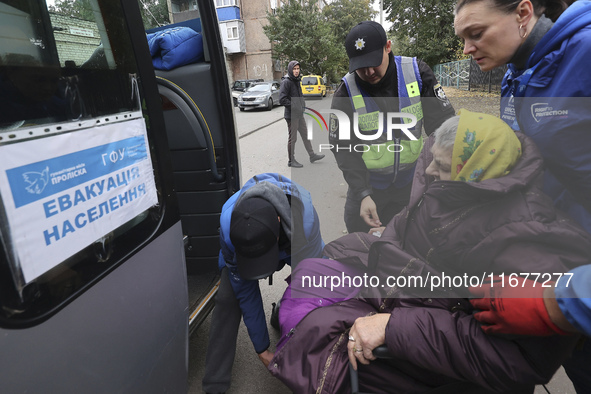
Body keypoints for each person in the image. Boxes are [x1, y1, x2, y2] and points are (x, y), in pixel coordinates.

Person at [268, 110, 591, 393]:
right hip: (410, 290)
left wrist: (393, 327)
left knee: (319, 333)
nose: (430, 171)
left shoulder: (530, 240)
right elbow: (412, 222)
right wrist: (385, 237)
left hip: (428, 332)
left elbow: (514, 359)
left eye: (440, 164)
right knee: (311, 271)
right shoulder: (459, 186)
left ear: (476, 169)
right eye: (432, 158)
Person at [454, 0, 591, 390]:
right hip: (559, 263)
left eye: (476, 34)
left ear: (523, 13)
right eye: (462, 38)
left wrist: (560, 303)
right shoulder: (517, 72)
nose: (466, 48)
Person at [202, 173, 324, 394]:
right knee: (228, 298)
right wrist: (262, 349)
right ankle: (214, 386)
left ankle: (283, 319)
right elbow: (246, 293)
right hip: (257, 242)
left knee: (308, 298)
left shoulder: (305, 223)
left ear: (278, 223)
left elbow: (311, 289)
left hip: (293, 242)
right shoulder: (229, 230)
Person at [330, 21, 455, 233]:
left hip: (410, 185)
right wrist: (362, 194)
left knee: (407, 245)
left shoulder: (417, 74)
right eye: (360, 67)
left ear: (388, 47)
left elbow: (443, 126)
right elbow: (342, 147)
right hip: (367, 189)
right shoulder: (345, 92)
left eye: (373, 62)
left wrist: (442, 173)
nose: (369, 71)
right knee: (360, 249)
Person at [279, 60, 325, 168]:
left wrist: (302, 104)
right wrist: (295, 106)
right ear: (290, 69)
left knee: (305, 134)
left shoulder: (297, 80)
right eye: (294, 69)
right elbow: (282, 99)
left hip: (299, 114)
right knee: (293, 139)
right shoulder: (287, 82)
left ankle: (312, 155)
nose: (296, 71)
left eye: (298, 69)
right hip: (291, 115)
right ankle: (291, 160)